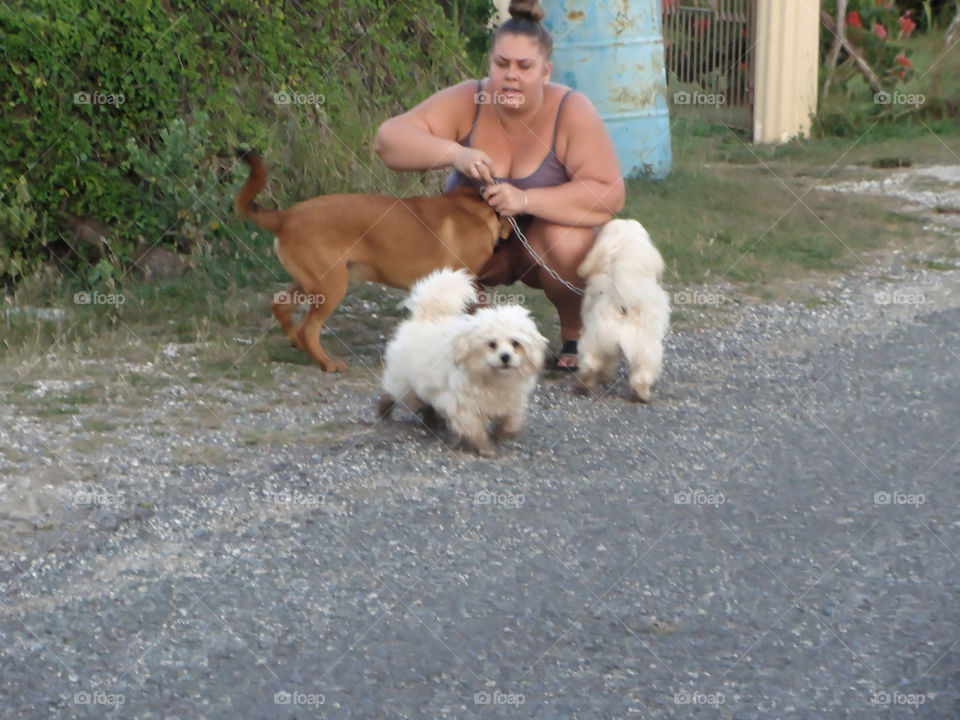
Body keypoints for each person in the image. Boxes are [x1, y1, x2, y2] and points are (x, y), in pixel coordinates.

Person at [374, 0, 625, 369]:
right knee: (431, 231)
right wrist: (453, 154)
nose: (511, 76)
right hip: (477, 245)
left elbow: (609, 193)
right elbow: (388, 140)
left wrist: (524, 199)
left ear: (546, 70)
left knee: (568, 239)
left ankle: (574, 331)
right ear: (489, 64)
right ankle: (471, 325)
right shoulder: (470, 98)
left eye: (525, 66)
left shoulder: (572, 108)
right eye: (501, 64)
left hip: (539, 249)